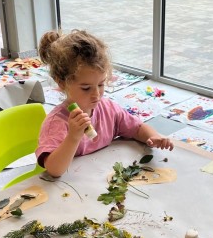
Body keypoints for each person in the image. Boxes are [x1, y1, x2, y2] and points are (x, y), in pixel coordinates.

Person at [36, 29, 173, 177]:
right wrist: (73, 137)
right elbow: (54, 169)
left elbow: (136, 128)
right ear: (62, 83)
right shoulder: (57, 123)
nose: (96, 94)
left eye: (101, 85)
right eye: (86, 88)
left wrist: (152, 137)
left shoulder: (108, 109)